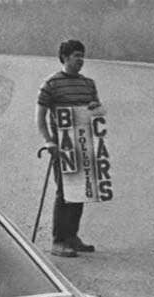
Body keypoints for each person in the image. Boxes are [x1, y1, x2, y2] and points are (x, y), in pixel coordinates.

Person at [36, 39, 100, 257]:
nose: (80, 60)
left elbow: (98, 112)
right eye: (76, 56)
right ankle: (59, 240)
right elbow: (40, 117)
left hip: (83, 143)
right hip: (62, 147)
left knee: (81, 190)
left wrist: (95, 109)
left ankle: (72, 235)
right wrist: (49, 140)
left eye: (82, 55)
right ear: (64, 57)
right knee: (64, 192)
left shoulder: (88, 84)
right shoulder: (51, 84)